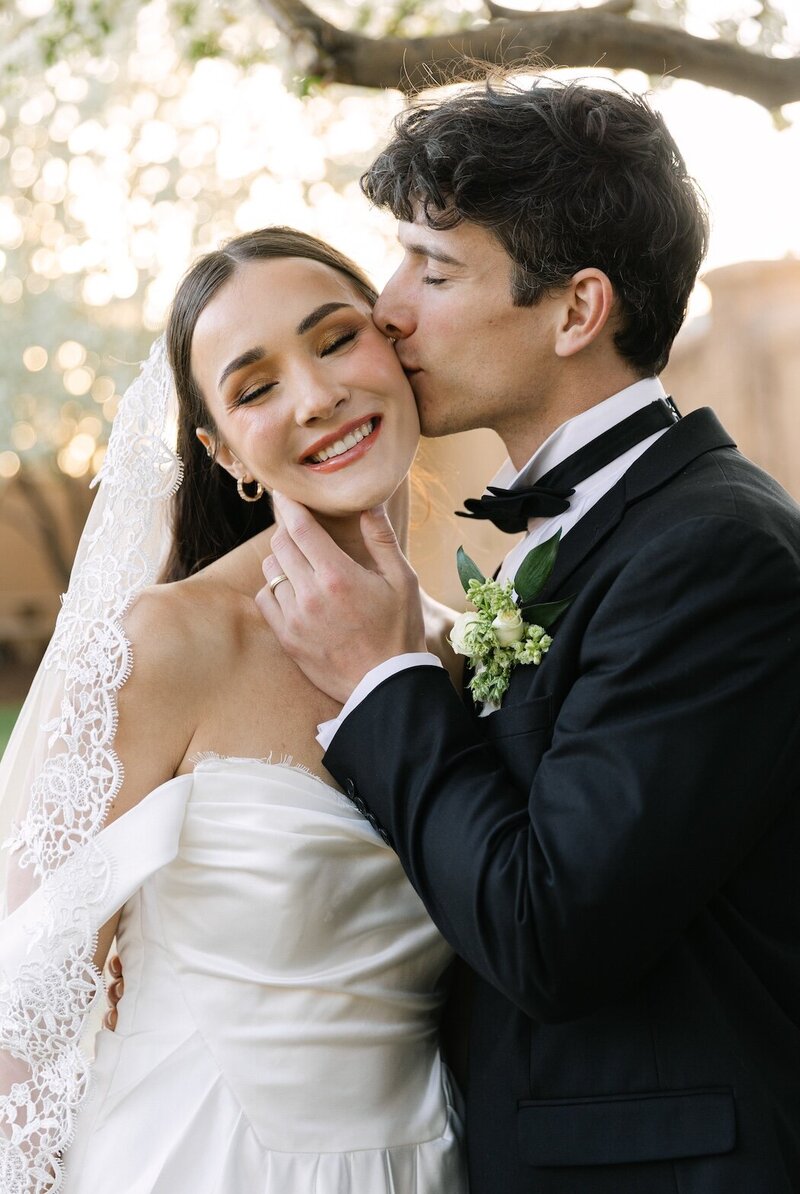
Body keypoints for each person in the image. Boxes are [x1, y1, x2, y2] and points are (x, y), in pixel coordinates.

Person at [257, 75, 800, 1193]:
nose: (387, 308)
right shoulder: (590, 530)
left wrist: (380, 676)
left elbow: (549, 932)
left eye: (434, 270)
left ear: (573, 310)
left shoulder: (713, 557)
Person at [0, 228, 467, 1193]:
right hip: (199, 1157)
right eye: (256, 388)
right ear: (223, 452)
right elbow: (27, 1008)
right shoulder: (170, 644)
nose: (316, 397)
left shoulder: (472, 654)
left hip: (436, 1162)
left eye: (337, 340)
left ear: (396, 346)